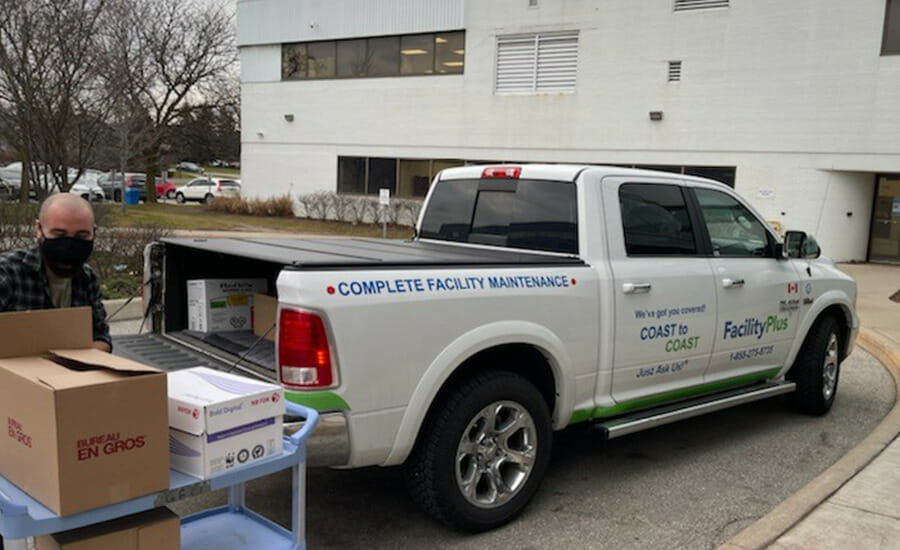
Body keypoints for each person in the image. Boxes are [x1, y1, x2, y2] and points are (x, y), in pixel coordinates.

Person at [0, 194, 111, 351]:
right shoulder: (7, 274)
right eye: (59, 234)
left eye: (82, 236)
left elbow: (101, 337)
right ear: (38, 229)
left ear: (94, 232)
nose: (70, 245)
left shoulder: (87, 279)